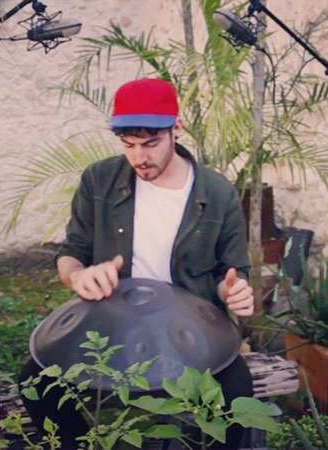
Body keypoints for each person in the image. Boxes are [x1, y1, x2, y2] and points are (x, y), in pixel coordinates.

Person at [20, 78, 254, 450]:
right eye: (128, 145)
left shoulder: (217, 192)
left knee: (237, 390)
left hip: (188, 329)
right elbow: (71, 252)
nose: (139, 157)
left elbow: (233, 272)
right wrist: (79, 275)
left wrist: (233, 291)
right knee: (36, 383)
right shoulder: (99, 180)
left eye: (151, 143)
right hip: (112, 326)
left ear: (177, 128)